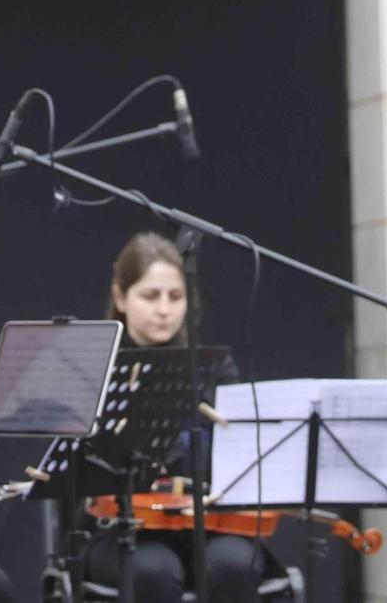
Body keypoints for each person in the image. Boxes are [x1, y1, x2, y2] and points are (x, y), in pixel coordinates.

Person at [80, 231, 281, 603]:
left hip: (212, 526)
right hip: (128, 531)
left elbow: (238, 456)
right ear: (120, 296)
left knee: (233, 566)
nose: (164, 309)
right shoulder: (97, 369)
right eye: (150, 296)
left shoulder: (215, 368)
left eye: (176, 297)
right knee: (154, 572)